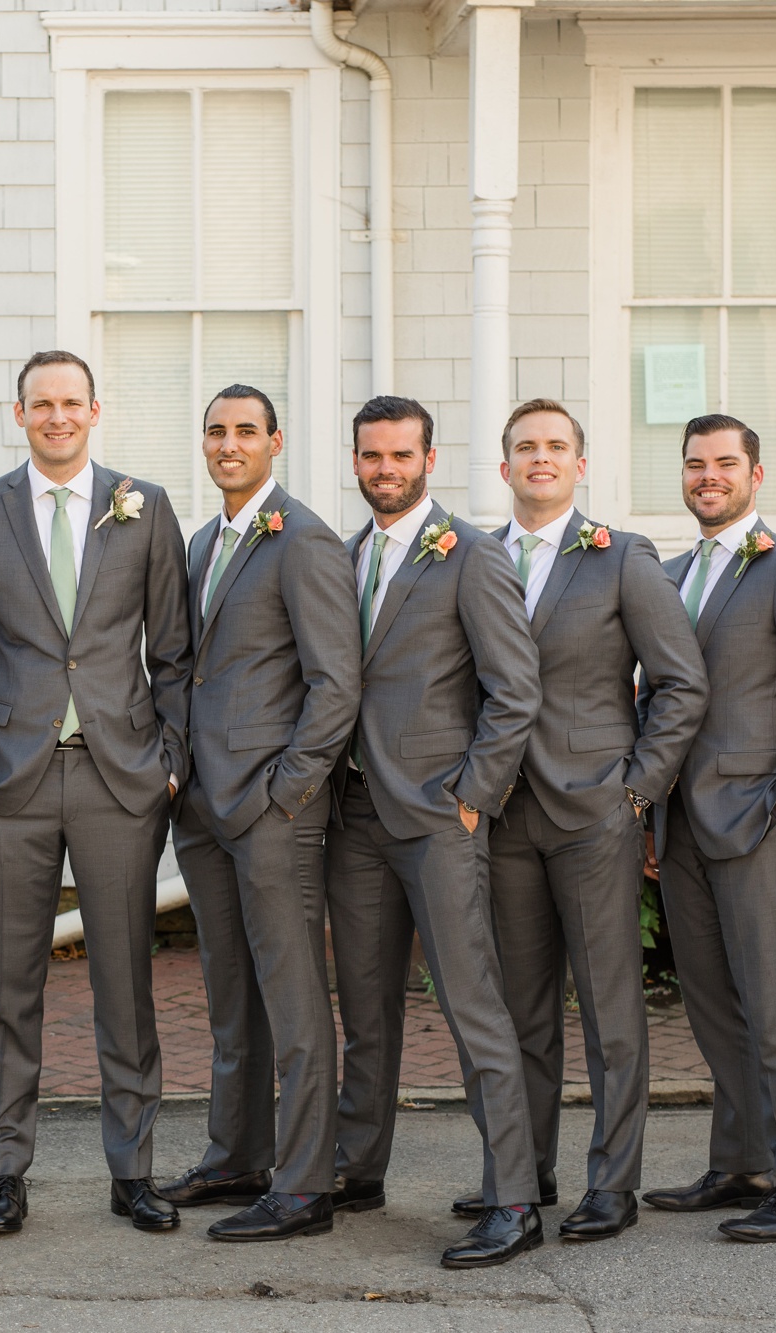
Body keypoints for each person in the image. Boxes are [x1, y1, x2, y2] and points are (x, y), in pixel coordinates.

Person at [0, 350, 192, 1236]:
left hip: (121, 775)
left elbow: (176, 651)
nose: (56, 416)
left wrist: (170, 758)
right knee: (11, 988)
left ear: (95, 409)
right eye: (41, 404)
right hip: (11, 780)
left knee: (126, 984)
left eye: (70, 402)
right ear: (20, 415)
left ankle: (134, 1173)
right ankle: (6, 1171)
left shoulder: (144, 506)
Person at [325, 395, 545, 1269]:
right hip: (355, 819)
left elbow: (515, 690)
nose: (386, 468)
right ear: (355, 461)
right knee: (366, 1011)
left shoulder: (472, 557)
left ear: (429, 457)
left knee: (472, 1009)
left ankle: (516, 1197)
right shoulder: (343, 558)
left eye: (400, 455)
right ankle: (358, 1165)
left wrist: (471, 797)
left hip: (437, 819)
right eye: (371, 455)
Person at [483, 399, 707, 1240]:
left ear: (581, 463)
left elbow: (681, 683)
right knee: (521, 1009)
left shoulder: (621, 560)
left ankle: (612, 1183)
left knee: (611, 1011)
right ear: (504, 466)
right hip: (505, 817)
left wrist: (637, 792)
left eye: (556, 446)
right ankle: (523, 1171)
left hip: (594, 815)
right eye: (525, 448)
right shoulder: (476, 556)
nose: (541, 459)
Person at [641, 414, 776, 1243]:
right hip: (683, 827)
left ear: (756, 475)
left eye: (725, 463)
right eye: (695, 464)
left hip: (762, 820)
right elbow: (658, 696)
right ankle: (744, 1162)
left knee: (773, 1007)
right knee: (711, 1003)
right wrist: (650, 811)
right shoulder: (667, 575)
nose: (708, 476)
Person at [157, 385, 357, 1242]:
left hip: (273, 808)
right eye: (216, 431)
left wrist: (290, 788)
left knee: (294, 996)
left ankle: (306, 1182)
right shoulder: (204, 542)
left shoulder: (303, 539)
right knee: (230, 991)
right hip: (202, 805)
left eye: (246, 431)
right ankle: (236, 1152)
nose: (229, 444)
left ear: (276, 441)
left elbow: (334, 682)